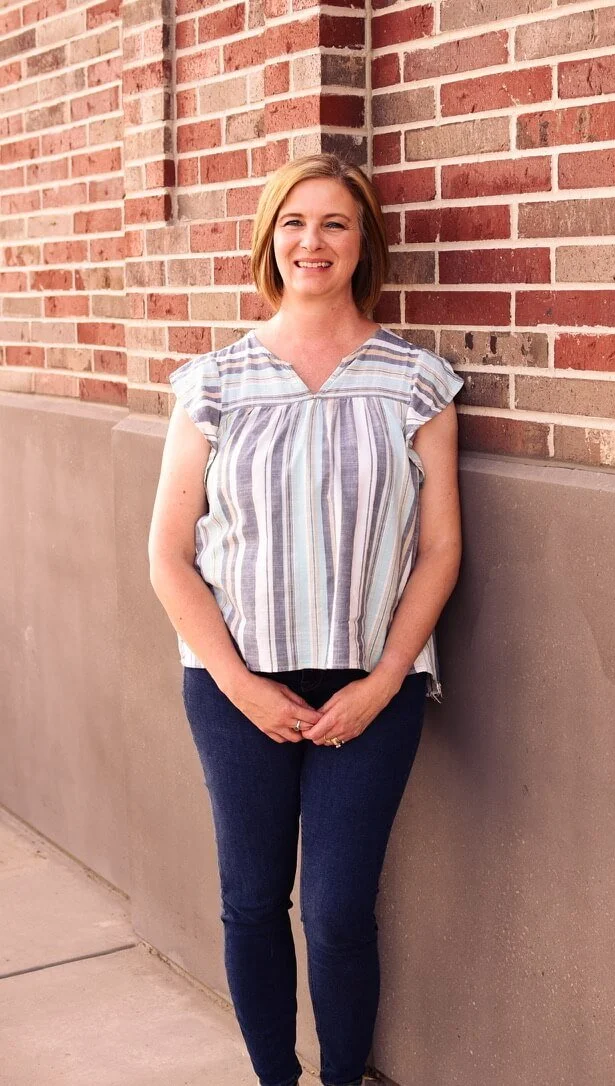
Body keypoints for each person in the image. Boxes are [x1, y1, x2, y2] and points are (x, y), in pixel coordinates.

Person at [147, 152, 464, 1086]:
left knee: (334, 911)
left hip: (375, 683)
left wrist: (383, 680)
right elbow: (168, 555)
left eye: (334, 222)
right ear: (268, 239)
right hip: (235, 683)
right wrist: (243, 687)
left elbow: (440, 550)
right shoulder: (213, 382)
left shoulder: (415, 381)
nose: (311, 241)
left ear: (362, 241)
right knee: (250, 900)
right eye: (293, 221)